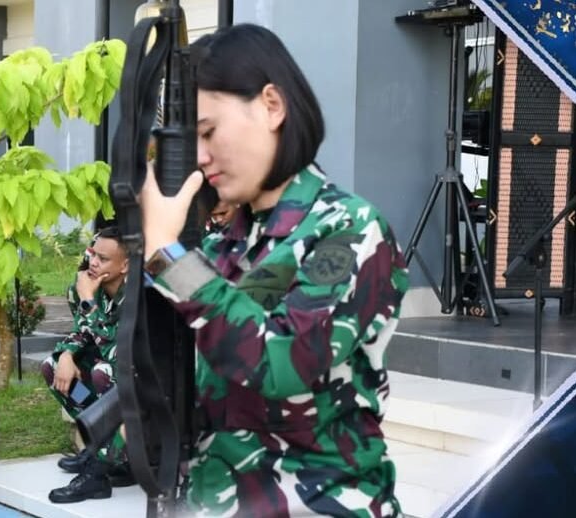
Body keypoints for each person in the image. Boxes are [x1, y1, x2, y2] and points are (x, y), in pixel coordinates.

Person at [138, 24, 408, 517]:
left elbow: (283, 360)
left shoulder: (350, 228)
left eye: (208, 131)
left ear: (271, 106)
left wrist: (167, 256)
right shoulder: (223, 245)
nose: (201, 156)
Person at [39, 226, 131, 503]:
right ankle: (96, 445)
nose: (93, 262)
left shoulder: (141, 296)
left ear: (126, 265)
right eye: (92, 254)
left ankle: (99, 472)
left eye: (103, 259)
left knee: (104, 373)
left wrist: (88, 301)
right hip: (111, 381)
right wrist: (66, 356)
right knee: (52, 368)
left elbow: (119, 353)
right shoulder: (84, 288)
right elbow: (82, 331)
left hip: (142, 383)